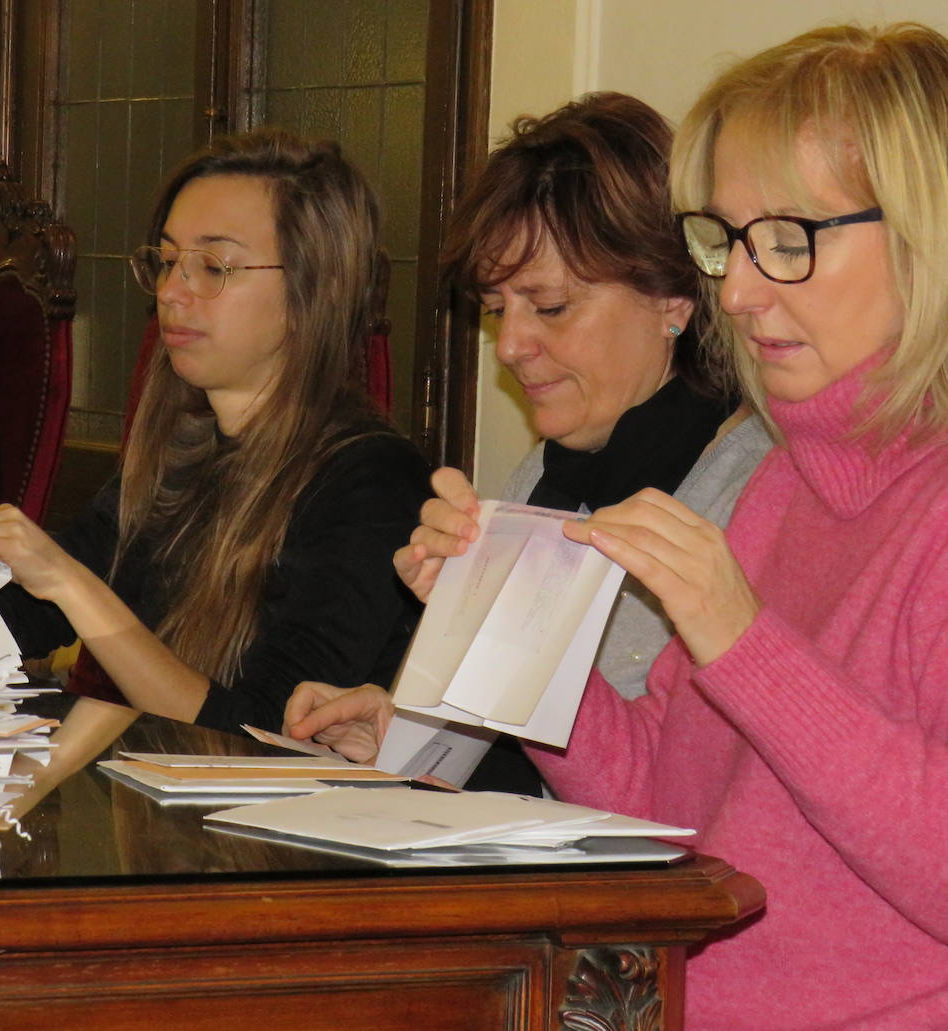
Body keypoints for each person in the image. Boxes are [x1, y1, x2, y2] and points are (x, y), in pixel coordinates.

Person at [294, 22, 948, 1028]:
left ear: (925, 232)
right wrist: (507, 626)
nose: (736, 287)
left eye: (787, 240)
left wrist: (742, 639)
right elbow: (659, 799)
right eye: (723, 241)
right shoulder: (786, 485)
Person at [290, 92, 770, 790]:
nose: (510, 345)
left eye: (550, 306)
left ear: (675, 297)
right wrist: (403, 733)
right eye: (495, 310)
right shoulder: (547, 472)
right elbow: (514, 745)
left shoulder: (751, 489)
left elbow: (690, 786)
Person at [0, 129, 429, 746]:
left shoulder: (372, 483)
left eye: (213, 267)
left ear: (314, 290)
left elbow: (260, 737)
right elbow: (18, 623)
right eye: (168, 261)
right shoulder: (181, 450)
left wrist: (69, 582)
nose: (172, 292)